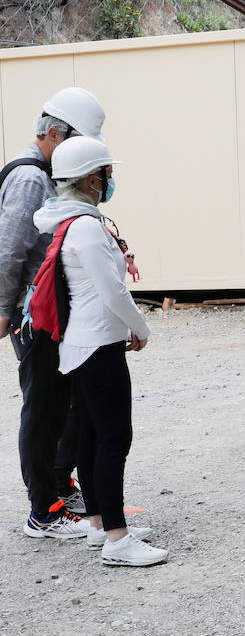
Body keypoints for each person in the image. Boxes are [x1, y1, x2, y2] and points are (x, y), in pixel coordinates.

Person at [34, 138, 163, 565]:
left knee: (90, 438)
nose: (111, 181)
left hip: (83, 345)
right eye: (108, 174)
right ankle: (117, 540)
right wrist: (141, 327)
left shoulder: (72, 221)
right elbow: (112, 289)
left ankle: (98, 523)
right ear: (92, 179)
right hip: (98, 347)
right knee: (113, 440)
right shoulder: (87, 227)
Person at [4, 88, 106, 539]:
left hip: (52, 311)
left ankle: (60, 489)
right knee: (43, 409)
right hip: (34, 314)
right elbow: (10, 250)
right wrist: (3, 309)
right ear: (51, 133)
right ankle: (42, 512)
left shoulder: (49, 174)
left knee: (64, 406)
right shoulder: (30, 179)